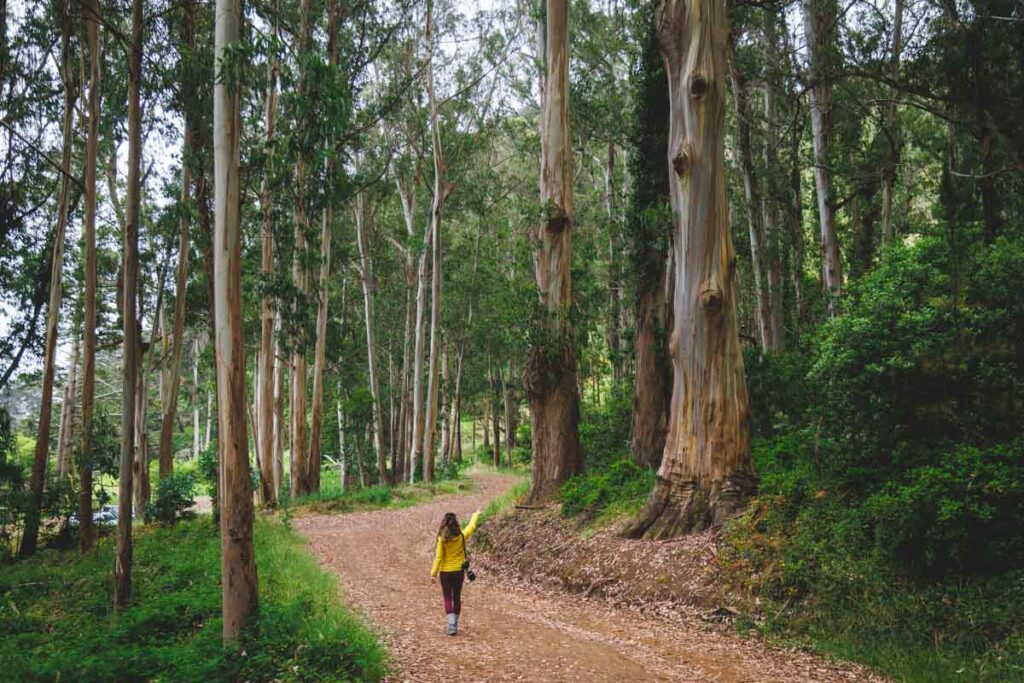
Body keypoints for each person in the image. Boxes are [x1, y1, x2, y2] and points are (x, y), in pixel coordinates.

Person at [430, 509, 482, 635]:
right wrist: (475, 514)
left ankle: (451, 625)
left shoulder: (442, 539)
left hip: (445, 572)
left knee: (448, 597)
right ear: (456, 523)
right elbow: (471, 526)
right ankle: (455, 625)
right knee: (457, 597)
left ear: (444, 523)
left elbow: (439, 557)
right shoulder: (462, 536)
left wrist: (433, 574)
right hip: (459, 571)